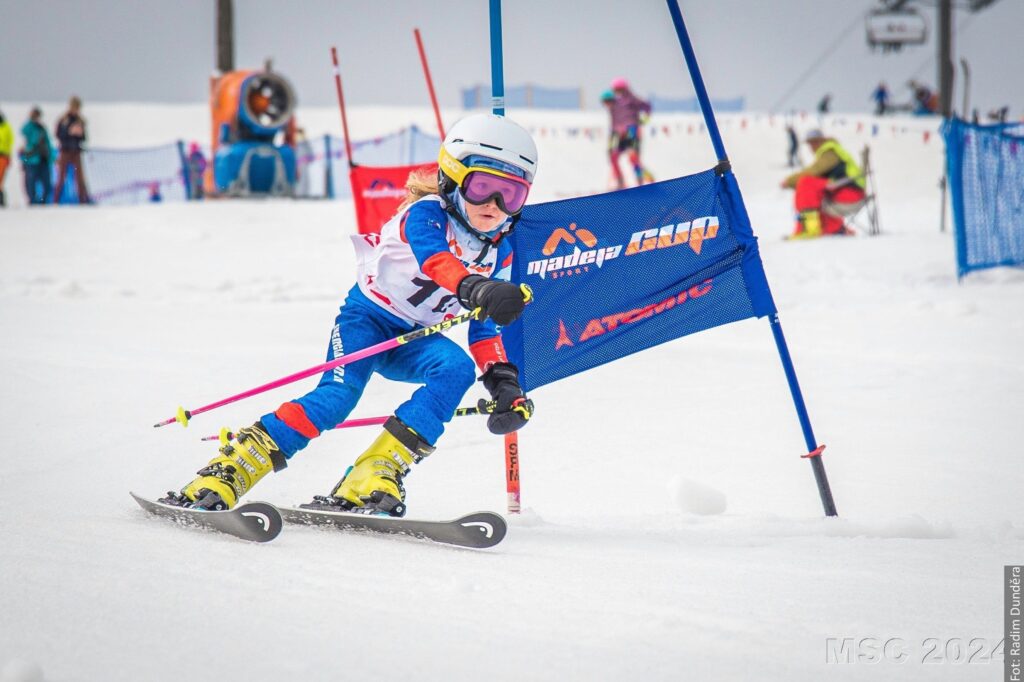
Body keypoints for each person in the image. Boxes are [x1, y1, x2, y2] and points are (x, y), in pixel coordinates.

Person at [161, 113, 538, 515]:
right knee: (337, 397)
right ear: (451, 177)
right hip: (368, 320)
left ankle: (373, 472)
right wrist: (477, 286)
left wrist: (504, 384)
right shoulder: (427, 214)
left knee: (457, 369)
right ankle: (231, 469)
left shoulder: (502, 251)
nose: (495, 206)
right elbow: (436, 261)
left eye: (510, 195)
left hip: (415, 339)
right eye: (482, 187)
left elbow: (484, 330)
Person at [780, 129, 865, 239]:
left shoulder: (830, 152)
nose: (812, 147)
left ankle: (809, 228)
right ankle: (834, 228)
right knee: (814, 189)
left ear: (821, 141)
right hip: (847, 192)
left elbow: (814, 171)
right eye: (810, 144)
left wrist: (790, 181)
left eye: (814, 142)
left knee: (806, 183)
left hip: (850, 195)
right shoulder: (831, 151)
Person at [605, 77, 653, 189]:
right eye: (616, 90)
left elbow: (647, 107)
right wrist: (613, 132)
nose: (618, 92)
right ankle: (620, 181)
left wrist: (643, 120)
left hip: (632, 131)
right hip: (619, 133)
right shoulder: (614, 103)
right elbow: (614, 119)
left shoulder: (632, 99)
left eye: (619, 89)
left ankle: (641, 180)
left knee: (633, 158)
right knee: (613, 156)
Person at [54, 96, 91, 204]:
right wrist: (69, 132)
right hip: (65, 152)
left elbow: (84, 138)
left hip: (76, 152)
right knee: (61, 177)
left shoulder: (80, 121)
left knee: (79, 178)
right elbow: (58, 134)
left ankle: (82, 201)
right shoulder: (64, 120)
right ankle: (55, 201)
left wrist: (79, 133)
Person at [19, 107, 53, 205]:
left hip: (43, 159)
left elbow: (48, 142)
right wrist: (32, 123)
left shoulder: (42, 128)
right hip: (31, 159)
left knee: (47, 182)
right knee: (30, 181)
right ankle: (32, 200)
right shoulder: (29, 127)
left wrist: (51, 157)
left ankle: (43, 200)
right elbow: (24, 132)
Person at [0, 109, 12, 207]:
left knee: (1, 178)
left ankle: (1, 200)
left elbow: (9, 142)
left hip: (3, 155)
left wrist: (8, 156)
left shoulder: (6, 127)